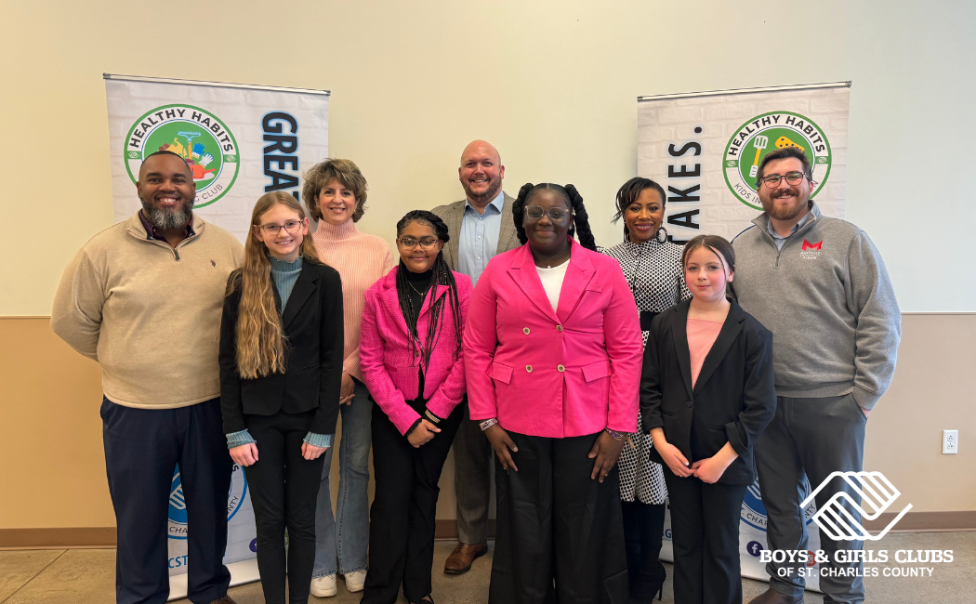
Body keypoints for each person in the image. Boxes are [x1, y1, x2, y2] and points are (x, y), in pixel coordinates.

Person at [51, 150, 243, 604]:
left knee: (210, 510)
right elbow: (70, 321)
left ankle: (210, 592)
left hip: (210, 405)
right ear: (138, 188)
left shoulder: (226, 246)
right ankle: (140, 596)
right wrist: (124, 360)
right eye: (154, 179)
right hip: (134, 411)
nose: (168, 187)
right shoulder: (101, 250)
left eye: (179, 178)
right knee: (140, 517)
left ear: (195, 188)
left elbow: (244, 319)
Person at [733, 147, 901, 604]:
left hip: (833, 403)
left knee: (837, 511)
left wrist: (863, 396)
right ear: (759, 187)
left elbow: (881, 317)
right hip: (766, 405)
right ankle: (785, 589)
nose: (782, 185)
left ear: (810, 182)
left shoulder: (846, 239)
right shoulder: (741, 247)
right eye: (772, 178)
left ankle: (843, 596)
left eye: (792, 176)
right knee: (780, 508)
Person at [465, 183, 643, 604]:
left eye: (556, 212)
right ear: (522, 218)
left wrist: (619, 429)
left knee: (584, 527)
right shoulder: (498, 269)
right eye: (535, 212)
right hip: (516, 419)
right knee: (524, 528)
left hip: (588, 418)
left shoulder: (603, 269)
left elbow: (627, 350)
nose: (545, 220)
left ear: (572, 219)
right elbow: (475, 347)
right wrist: (486, 421)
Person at [218, 191, 344, 604]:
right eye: (272, 226)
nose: (283, 232)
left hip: (308, 420)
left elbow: (331, 359)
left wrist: (324, 428)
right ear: (258, 233)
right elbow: (228, 362)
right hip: (258, 420)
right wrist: (235, 431)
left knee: (302, 520)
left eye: (290, 223)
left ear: (304, 226)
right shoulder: (241, 283)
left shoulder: (324, 280)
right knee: (270, 522)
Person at [642, 235, 776, 604]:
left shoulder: (751, 333)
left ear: (730, 273)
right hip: (676, 455)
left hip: (726, 459)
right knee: (685, 543)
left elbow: (761, 406)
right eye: (693, 268)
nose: (702, 276)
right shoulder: (666, 324)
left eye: (713, 267)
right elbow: (649, 388)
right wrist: (661, 442)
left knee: (719, 546)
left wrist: (723, 459)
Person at [359, 211, 472, 604]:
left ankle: (418, 589)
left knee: (425, 495)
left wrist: (436, 412)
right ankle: (379, 593)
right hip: (394, 411)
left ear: (440, 244)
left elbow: (468, 354)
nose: (417, 248)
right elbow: (370, 363)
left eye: (426, 240)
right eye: (408, 240)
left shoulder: (461, 288)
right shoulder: (378, 293)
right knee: (390, 499)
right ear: (398, 243)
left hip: (442, 410)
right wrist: (408, 420)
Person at [303, 158, 395, 597]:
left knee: (357, 468)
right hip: (310, 380)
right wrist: (327, 376)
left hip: (363, 376)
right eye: (329, 192)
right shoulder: (298, 244)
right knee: (315, 471)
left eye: (346, 192)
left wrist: (350, 371)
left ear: (357, 200)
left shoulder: (378, 247)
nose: (337, 199)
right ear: (315, 199)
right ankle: (321, 563)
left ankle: (354, 557)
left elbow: (381, 318)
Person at [432, 139, 519, 574]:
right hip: (461, 352)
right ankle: (470, 539)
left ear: (503, 170)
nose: (478, 170)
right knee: (469, 447)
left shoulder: (528, 213)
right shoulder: (441, 219)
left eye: (487, 163)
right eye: (470, 163)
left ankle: (518, 538)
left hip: (521, 351)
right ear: (460, 170)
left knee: (517, 446)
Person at [603, 177, 690, 602]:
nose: (644, 216)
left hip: (660, 373)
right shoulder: (603, 257)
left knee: (652, 471)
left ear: (664, 211)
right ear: (622, 211)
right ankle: (624, 563)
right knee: (618, 468)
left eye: (653, 208)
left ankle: (650, 569)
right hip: (611, 374)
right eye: (635, 207)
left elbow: (689, 319)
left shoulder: (680, 258)